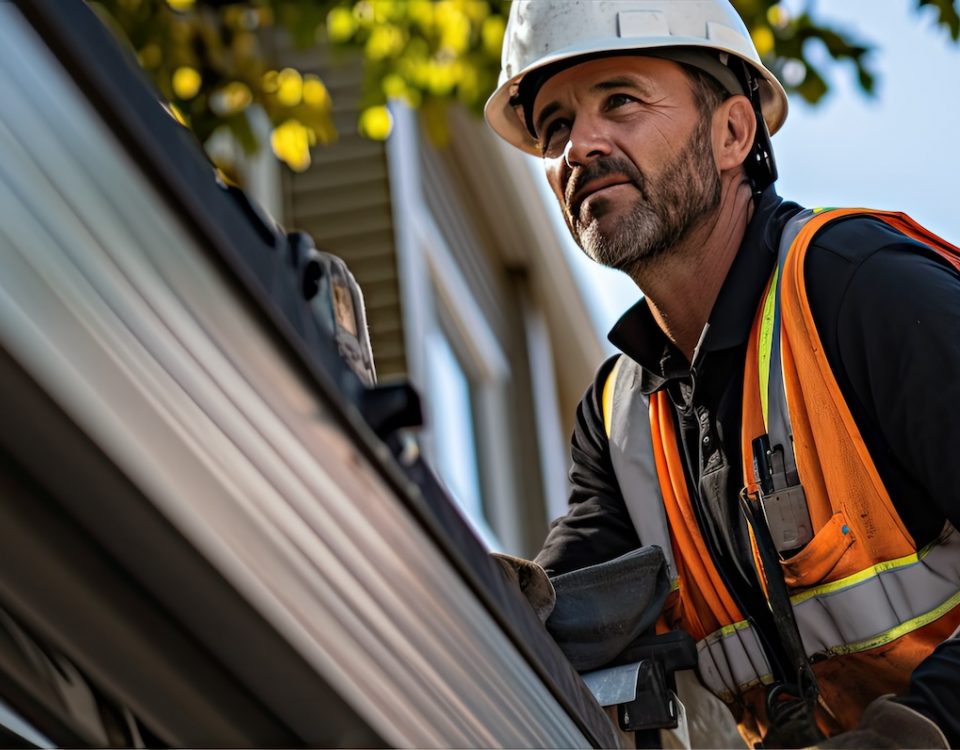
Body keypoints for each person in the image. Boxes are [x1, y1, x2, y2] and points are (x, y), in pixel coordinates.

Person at [483, 1, 960, 747]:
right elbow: (550, 624)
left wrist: (923, 728)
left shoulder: (859, 290)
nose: (578, 147)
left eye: (620, 101)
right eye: (554, 128)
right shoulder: (619, 424)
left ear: (734, 131)